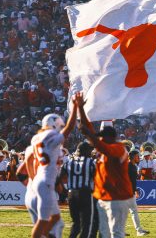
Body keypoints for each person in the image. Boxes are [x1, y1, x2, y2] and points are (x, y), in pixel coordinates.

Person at [77, 92, 133, 238]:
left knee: (116, 232)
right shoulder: (105, 148)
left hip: (118, 197)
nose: (100, 139)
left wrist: (90, 134)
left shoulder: (119, 148)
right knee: (104, 232)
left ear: (110, 137)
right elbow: (86, 127)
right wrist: (80, 108)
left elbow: (99, 144)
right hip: (104, 196)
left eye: (102, 137)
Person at [31, 94, 78, 238]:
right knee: (42, 221)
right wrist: (76, 107)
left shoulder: (36, 137)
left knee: (56, 218)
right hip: (45, 181)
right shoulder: (49, 135)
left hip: (43, 179)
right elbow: (69, 128)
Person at [60, 141, 98, 238]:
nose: (91, 152)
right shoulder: (90, 163)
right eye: (89, 150)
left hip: (71, 194)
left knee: (76, 223)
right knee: (86, 223)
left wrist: (64, 192)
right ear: (85, 151)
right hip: (85, 194)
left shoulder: (68, 162)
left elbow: (58, 179)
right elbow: (97, 179)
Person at [127, 150, 150, 236]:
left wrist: (135, 189)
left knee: (130, 212)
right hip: (126, 192)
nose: (139, 158)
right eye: (137, 156)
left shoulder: (133, 166)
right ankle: (139, 231)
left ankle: (138, 230)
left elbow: (132, 180)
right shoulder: (128, 166)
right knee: (131, 211)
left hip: (130, 192)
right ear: (133, 157)